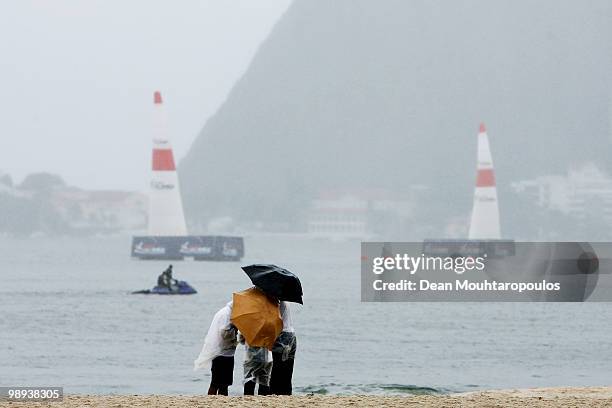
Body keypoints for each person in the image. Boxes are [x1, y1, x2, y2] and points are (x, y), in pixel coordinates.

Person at [194, 302, 238, 395]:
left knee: (223, 383)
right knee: (217, 383)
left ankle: (218, 402)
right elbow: (224, 333)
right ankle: (213, 401)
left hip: (223, 352)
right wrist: (234, 327)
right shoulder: (226, 314)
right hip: (222, 353)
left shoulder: (225, 312)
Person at [270, 301, 297, 395]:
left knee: (277, 366)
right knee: (288, 367)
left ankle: (276, 392)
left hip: (282, 336)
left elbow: (272, 323)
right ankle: (287, 392)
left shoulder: (275, 303)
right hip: (291, 334)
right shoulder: (284, 302)